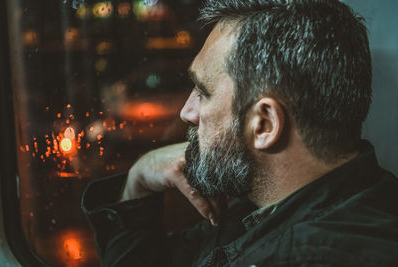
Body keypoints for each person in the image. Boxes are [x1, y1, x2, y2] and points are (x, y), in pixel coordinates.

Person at [81, 0, 398, 266]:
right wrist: (139, 179)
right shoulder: (261, 207)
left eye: (203, 92)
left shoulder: (310, 256)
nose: (186, 112)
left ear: (264, 125)